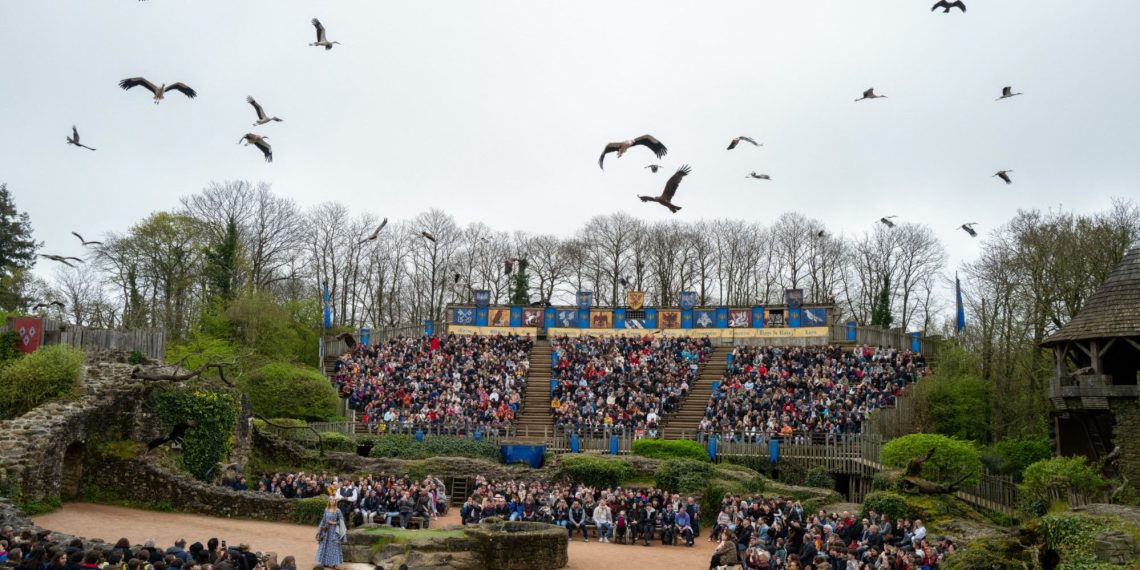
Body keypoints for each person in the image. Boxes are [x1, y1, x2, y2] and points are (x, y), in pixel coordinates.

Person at [315, 496, 346, 570]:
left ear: (335, 502)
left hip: (334, 531)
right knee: (324, 545)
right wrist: (320, 529)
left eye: (333, 500)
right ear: (329, 501)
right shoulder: (326, 509)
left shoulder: (338, 510)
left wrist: (334, 522)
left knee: (334, 546)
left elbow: (342, 521)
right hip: (326, 531)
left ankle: (335, 563)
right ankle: (324, 562)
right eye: (331, 500)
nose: (332, 501)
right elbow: (323, 520)